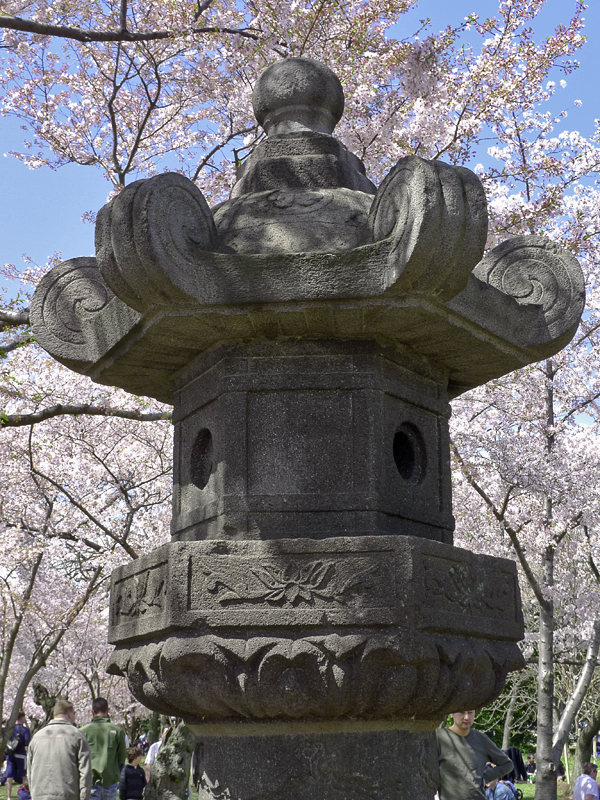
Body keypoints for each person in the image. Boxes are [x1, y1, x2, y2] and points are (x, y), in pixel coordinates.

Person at [436, 710, 513, 800]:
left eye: (470, 712)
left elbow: (507, 764)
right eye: (462, 712)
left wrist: (485, 778)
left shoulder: (481, 739)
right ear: (451, 713)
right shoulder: (439, 738)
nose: (466, 717)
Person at [27, 698, 92, 800]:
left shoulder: (36, 737)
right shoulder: (77, 736)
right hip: (68, 795)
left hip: (39, 795)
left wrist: (34, 793)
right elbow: (85, 771)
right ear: (69, 714)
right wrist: (84, 797)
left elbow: (30, 770)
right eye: (74, 713)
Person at [80, 698, 126, 800]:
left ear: (92, 712)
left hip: (90, 781)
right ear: (107, 711)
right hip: (110, 781)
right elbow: (122, 756)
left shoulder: (82, 732)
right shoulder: (117, 731)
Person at [5, 712, 31, 800]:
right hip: (21, 755)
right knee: (24, 775)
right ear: (22, 718)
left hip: (10, 755)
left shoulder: (9, 729)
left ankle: (9, 797)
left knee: (9, 776)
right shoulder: (25, 730)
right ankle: (24, 794)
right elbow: (28, 741)